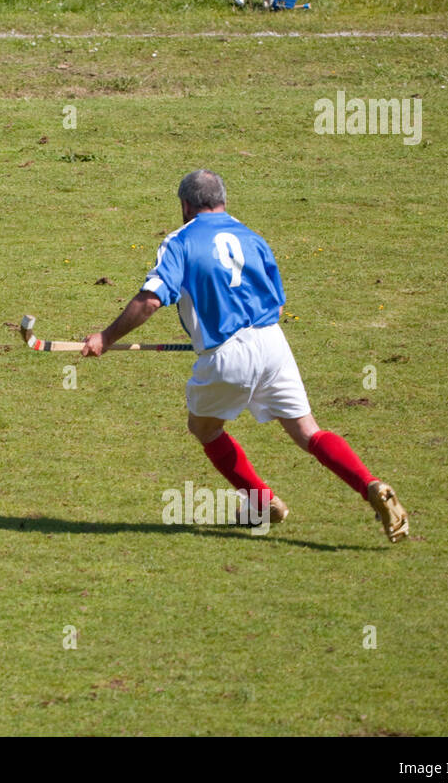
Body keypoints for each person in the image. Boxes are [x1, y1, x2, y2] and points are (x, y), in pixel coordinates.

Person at [81, 170, 408, 543]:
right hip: (272, 342)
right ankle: (371, 484)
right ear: (223, 201)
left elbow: (152, 299)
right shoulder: (253, 238)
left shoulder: (179, 241)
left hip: (226, 355)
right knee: (308, 432)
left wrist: (106, 337)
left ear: (185, 206)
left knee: (204, 428)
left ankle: (263, 502)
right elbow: (278, 304)